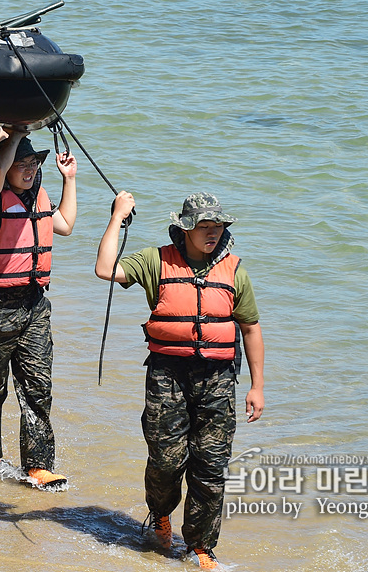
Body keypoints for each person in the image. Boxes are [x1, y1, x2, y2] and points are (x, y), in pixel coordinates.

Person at [95, 192, 265, 571]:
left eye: (217, 227)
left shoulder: (235, 271)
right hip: (167, 376)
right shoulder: (156, 261)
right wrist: (117, 217)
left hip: (218, 380)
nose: (211, 233)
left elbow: (251, 329)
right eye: (204, 227)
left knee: (210, 467)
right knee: (166, 462)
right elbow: (105, 269)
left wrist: (257, 386)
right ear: (185, 228)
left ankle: (200, 545)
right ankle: (159, 513)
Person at [0, 130, 76, 487]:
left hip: (34, 305)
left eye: (33, 164)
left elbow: (65, 224)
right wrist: (14, 135)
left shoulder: (39, 199)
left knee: (37, 387)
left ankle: (38, 465)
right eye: (21, 164)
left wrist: (69, 180)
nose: (29, 171)